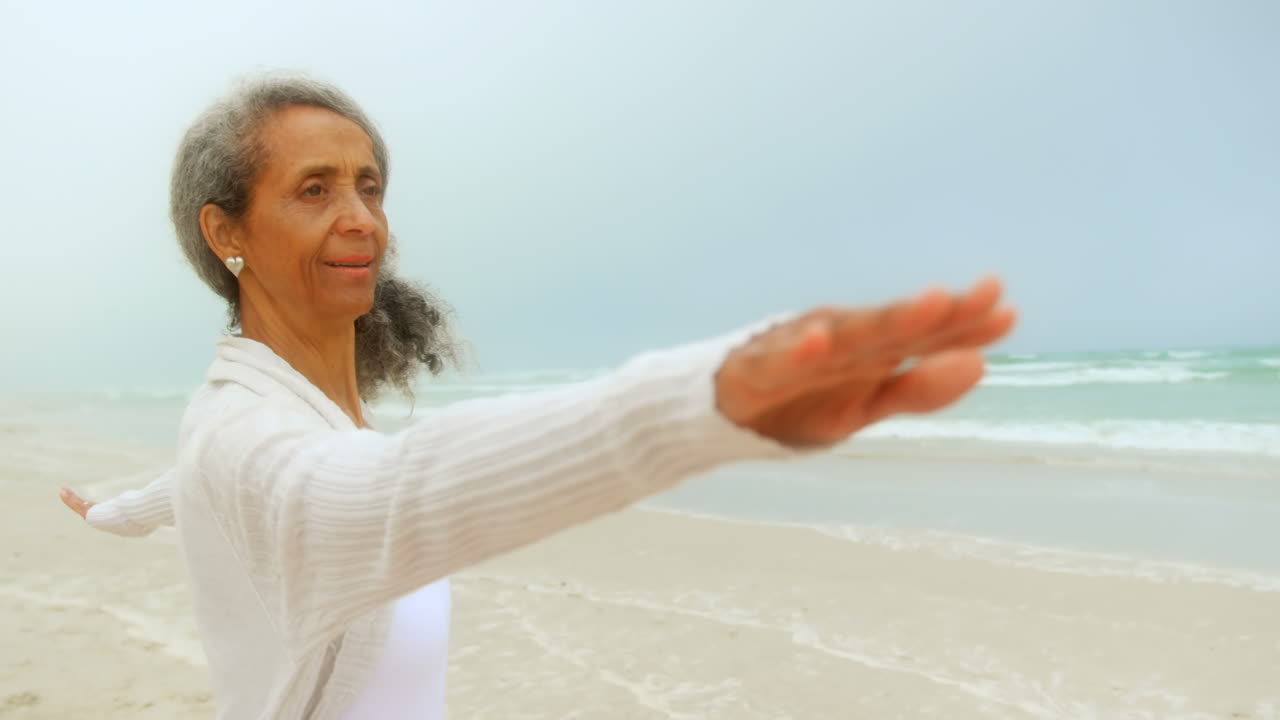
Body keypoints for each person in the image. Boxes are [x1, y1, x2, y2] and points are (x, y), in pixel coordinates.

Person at [58, 72, 1015, 719]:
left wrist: (117, 510)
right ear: (227, 231)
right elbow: (381, 493)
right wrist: (695, 409)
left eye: (370, 184)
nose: (360, 219)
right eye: (313, 190)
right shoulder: (250, 442)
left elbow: (201, 481)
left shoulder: (281, 419)